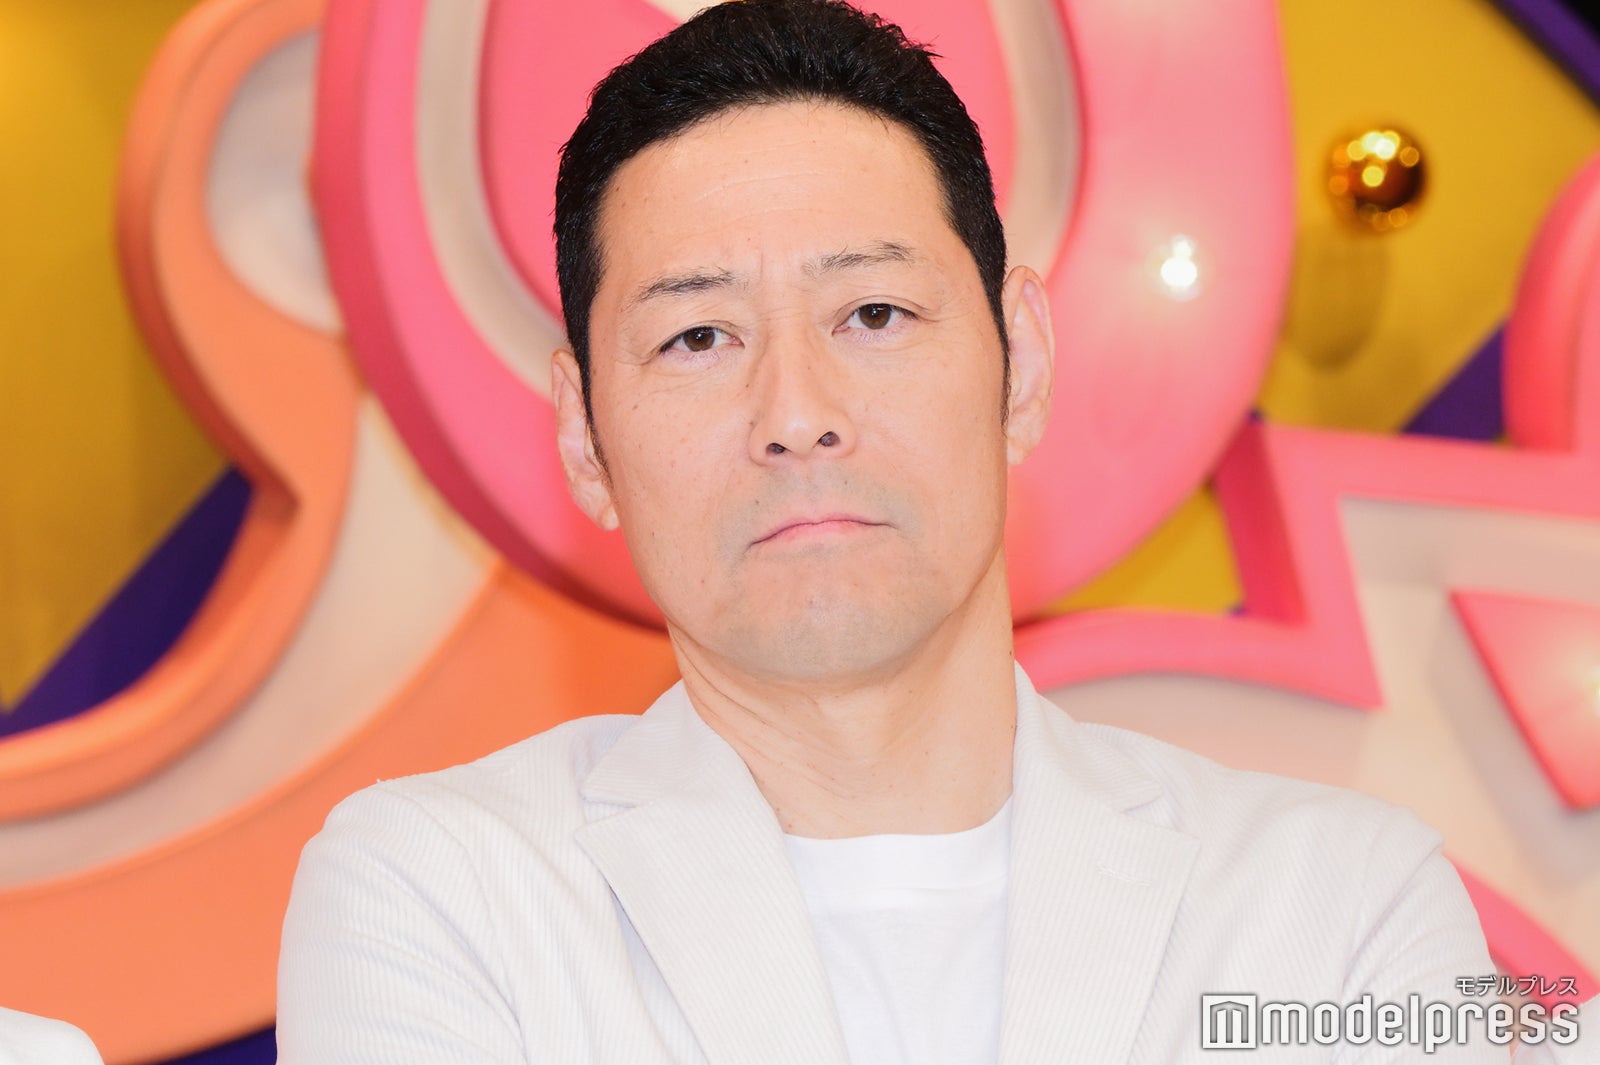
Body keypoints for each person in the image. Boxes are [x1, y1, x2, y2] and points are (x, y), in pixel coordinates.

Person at [275, 1, 1587, 1061]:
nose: (797, 414)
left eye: (874, 315)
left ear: (1022, 364)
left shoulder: (1338, 903)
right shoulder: (445, 894)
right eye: (699, 336)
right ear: (582, 435)